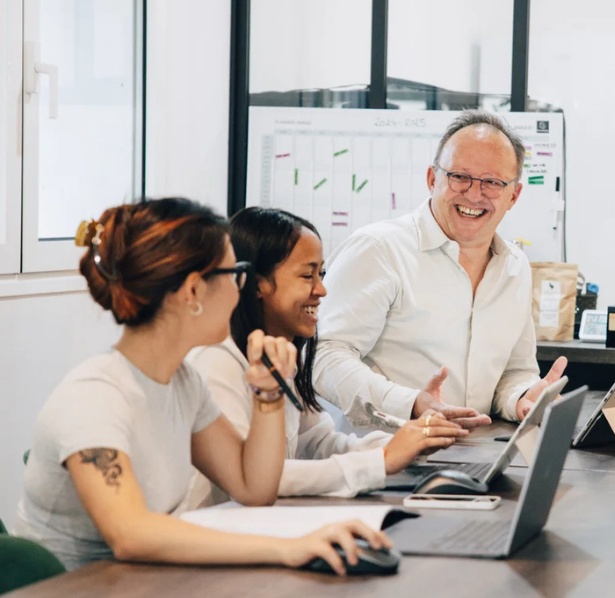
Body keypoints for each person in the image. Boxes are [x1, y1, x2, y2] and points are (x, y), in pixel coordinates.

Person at [14, 198, 388, 576]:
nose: (241, 289)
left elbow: (253, 487)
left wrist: (268, 395)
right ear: (193, 292)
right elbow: (131, 534)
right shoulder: (95, 396)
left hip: (150, 581)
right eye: (234, 274)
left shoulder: (183, 382)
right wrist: (287, 549)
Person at [185, 207, 467, 508]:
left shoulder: (281, 356)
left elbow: (320, 444)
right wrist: (382, 461)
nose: (321, 290)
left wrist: (413, 444)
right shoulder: (216, 362)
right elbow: (258, 478)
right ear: (255, 284)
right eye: (307, 275)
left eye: (321, 274)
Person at [313, 109, 567, 428]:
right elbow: (323, 357)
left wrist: (522, 399)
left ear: (513, 195)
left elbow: (515, 372)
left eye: (491, 182)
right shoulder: (378, 249)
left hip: (473, 458)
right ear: (433, 179)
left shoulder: (515, 267)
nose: (474, 195)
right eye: (459, 177)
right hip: (381, 463)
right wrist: (411, 403)